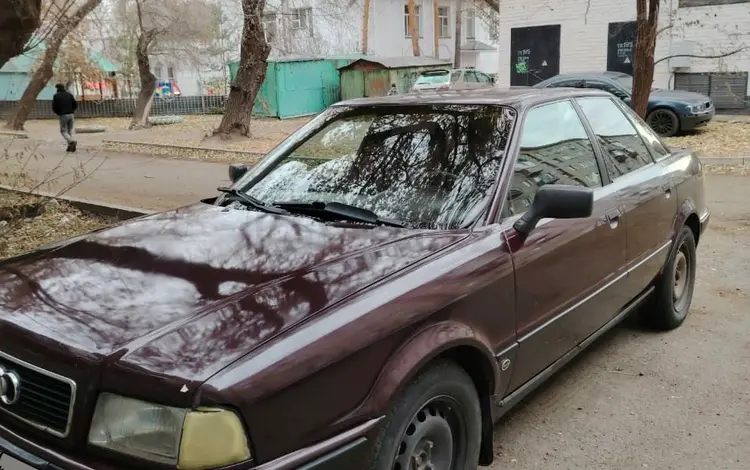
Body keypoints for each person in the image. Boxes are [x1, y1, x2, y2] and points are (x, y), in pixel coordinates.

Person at [52, 83, 77, 152]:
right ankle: (70, 147)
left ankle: (72, 141)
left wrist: (58, 113)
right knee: (69, 131)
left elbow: (55, 106)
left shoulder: (56, 96)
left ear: (57, 88)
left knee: (63, 131)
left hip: (63, 115)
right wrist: (72, 110)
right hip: (71, 114)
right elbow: (75, 104)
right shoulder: (69, 95)